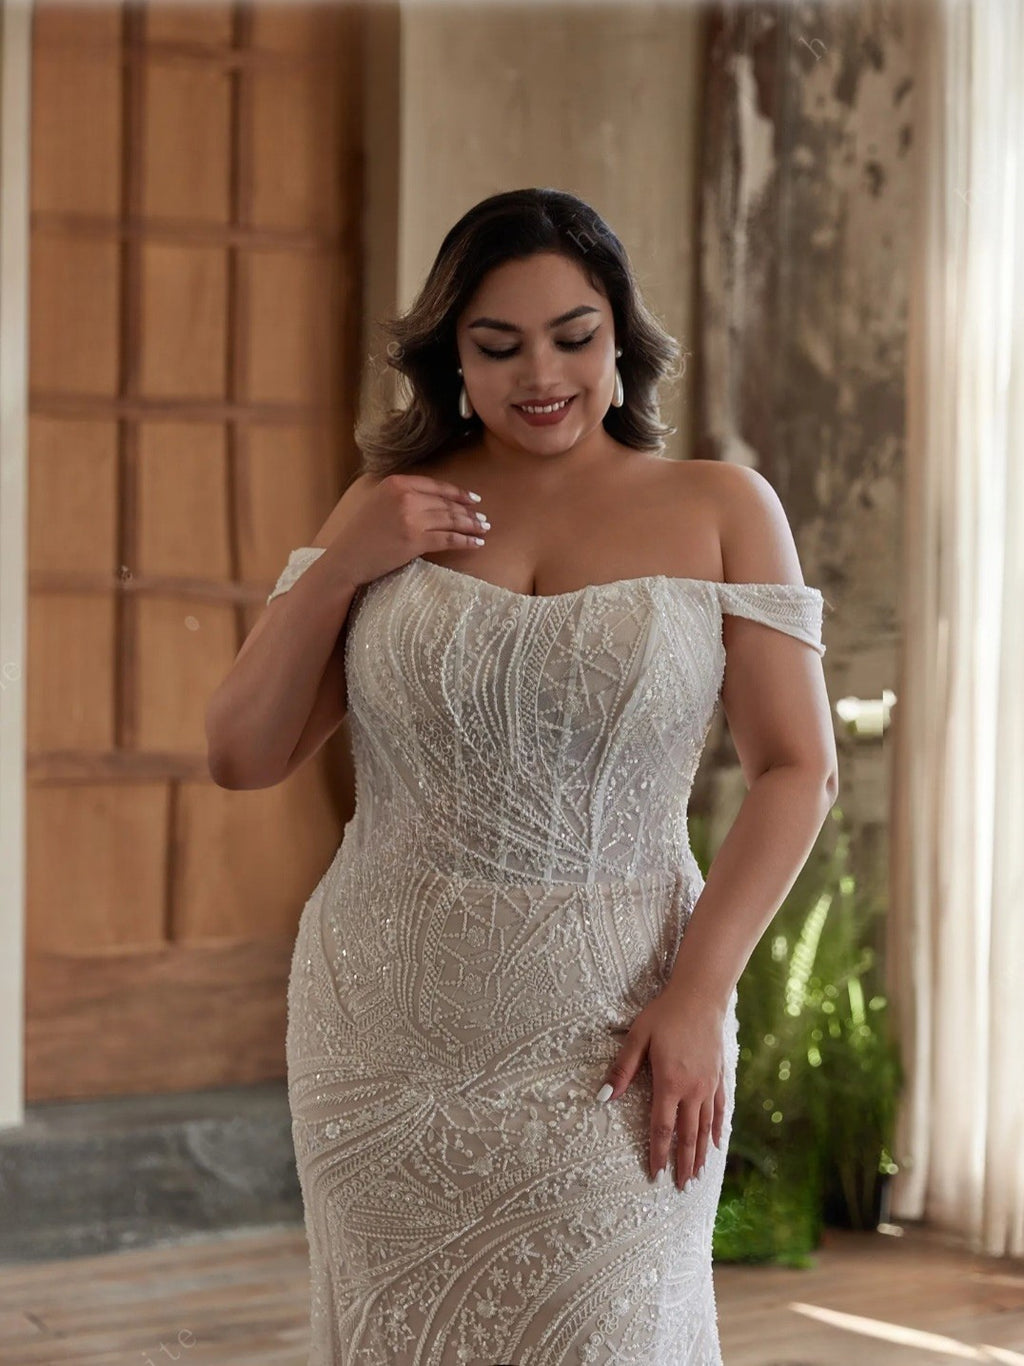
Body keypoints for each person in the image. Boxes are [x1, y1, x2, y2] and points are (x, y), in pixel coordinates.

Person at [206, 188, 838, 1365]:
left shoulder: (720, 507)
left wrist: (700, 993)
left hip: (624, 1021)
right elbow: (241, 753)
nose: (539, 373)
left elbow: (797, 769)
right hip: (381, 1028)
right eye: (496, 346)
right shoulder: (389, 512)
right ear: (451, 355)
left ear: (620, 335)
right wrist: (345, 561)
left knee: (615, 1332)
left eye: (573, 335)